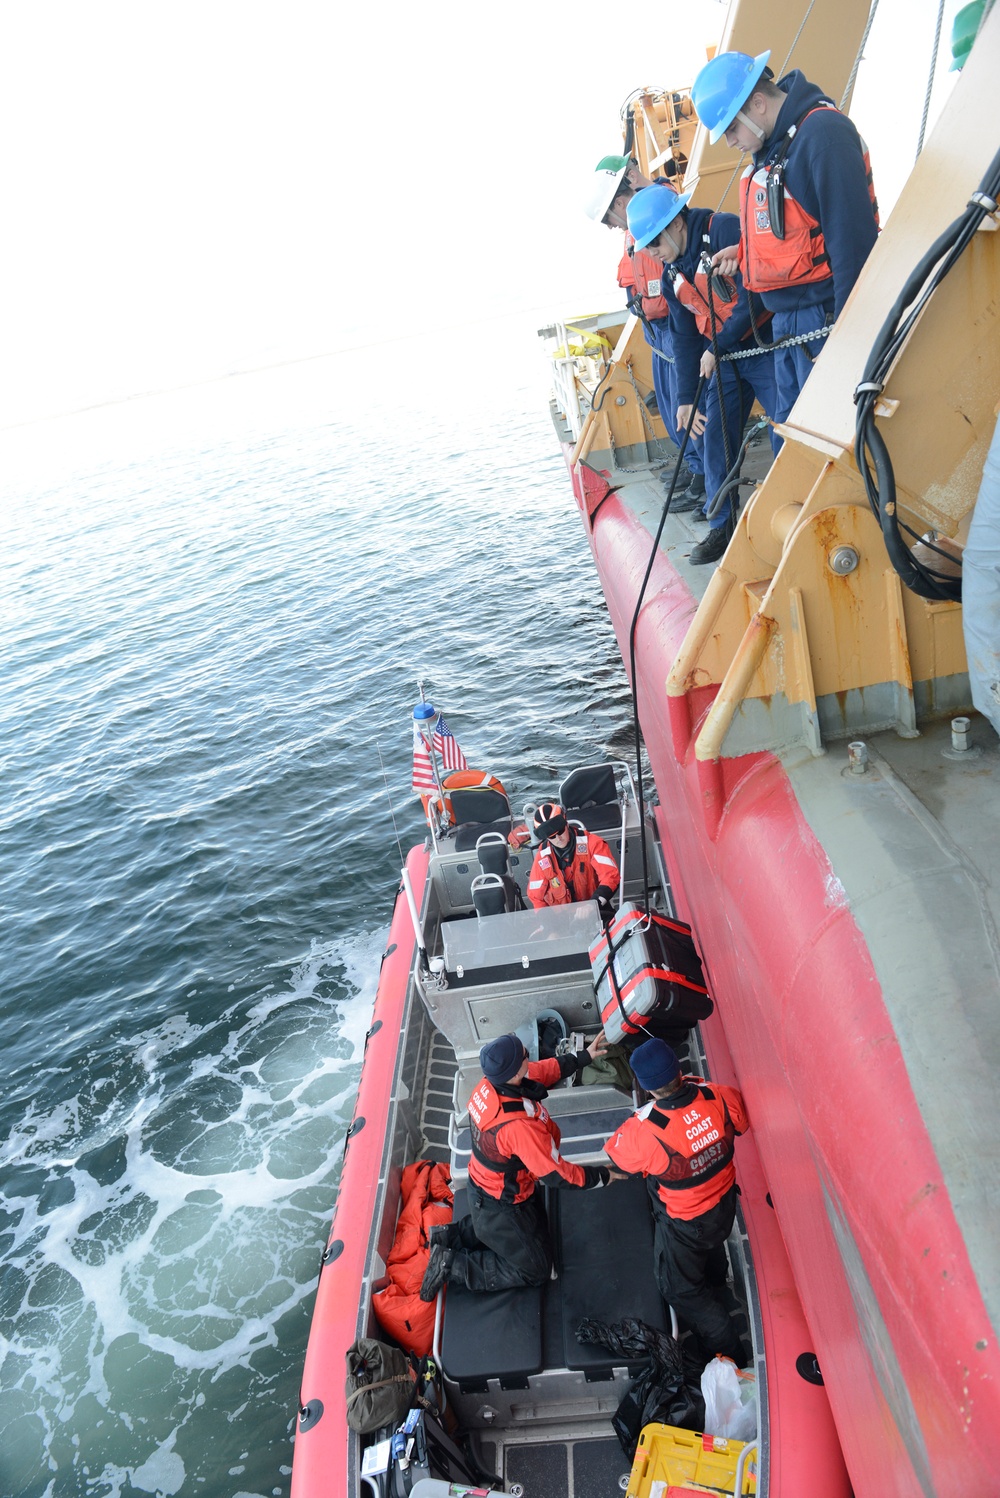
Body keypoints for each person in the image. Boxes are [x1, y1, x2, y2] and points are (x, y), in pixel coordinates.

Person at [691, 49, 879, 426]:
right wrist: (744, 253)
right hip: (787, 328)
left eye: (731, 129)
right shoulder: (774, 148)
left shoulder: (823, 136)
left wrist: (847, 344)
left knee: (830, 430)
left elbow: (852, 248)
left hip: (824, 321)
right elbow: (794, 232)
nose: (730, 142)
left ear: (757, 103)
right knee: (791, 434)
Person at [626, 183, 779, 567]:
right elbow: (683, 338)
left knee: (786, 426)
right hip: (724, 358)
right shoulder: (671, 274)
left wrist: (718, 346)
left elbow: (754, 294)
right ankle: (723, 525)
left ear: (676, 223)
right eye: (646, 247)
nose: (652, 253)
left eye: (654, 242)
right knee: (715, 438)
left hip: (761, 346)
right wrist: (685, 398)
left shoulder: (723, 231)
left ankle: (792, 507)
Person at [420, 1031, 625, 1299]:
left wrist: (583, 1057)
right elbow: (556, 1175)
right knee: (536, 1270)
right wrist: (602, 1176)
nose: (529, 1055)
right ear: (515, 1072)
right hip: (503, 1201)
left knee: (493, 1227)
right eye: (524, 1055)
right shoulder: (518, 1127)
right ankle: (452, 1265)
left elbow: (544, 1071)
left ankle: (446, 1236)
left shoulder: (491, 1084)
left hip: (485, 1187)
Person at [604, 1038, 750, 1362]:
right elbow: (740, 1122)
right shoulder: (718, 1095)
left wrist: (643, 1115)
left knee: (679, 1289)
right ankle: (716, 1281)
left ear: (645, 1087)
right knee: (709, 1252)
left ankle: (731, 1355)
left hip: (687, 1224)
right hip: (724, 1206)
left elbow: (617, 1153)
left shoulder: (645, 1131)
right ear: (680, 1069)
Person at [585, 157, 704, 503]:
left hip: (674, 324)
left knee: (687, 404)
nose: (610, 225)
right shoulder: (633, 228)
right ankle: (692, 464)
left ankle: (702, 474)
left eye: (609, 215)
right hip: (655, 328)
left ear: (621, 201)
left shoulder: (660, 209)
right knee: (670, 407)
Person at [526, 802, 620, 913]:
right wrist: (549, 926)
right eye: (552, 836)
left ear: (566, 823)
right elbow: (536, 897)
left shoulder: (593, 843)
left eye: (560, 831)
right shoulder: (542, 856)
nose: (558, 838)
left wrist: (593, 905)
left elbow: (611, 877)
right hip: (561, 920)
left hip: (595, 911)